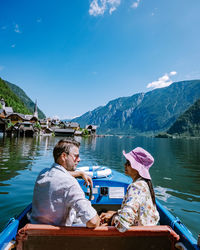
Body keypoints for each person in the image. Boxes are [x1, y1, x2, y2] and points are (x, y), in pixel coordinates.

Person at [30, 138, 100, 228]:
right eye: (76, 156)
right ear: (64, 156)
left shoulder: (43, 173)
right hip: (57, 237)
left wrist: (80, 173)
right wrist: (99, 220)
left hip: (34, 230)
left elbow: (59, 174)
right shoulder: (70, 183)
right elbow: (93, 222)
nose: (79, 159)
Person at [100, 147, 160, 232]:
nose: (125, 165)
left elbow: (123, 225)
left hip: (137, 236)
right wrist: (114, 214)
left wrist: (111, 219)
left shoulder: (136, 187)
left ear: (137, 168)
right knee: (110, 212)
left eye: (128, 163)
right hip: (147, 233)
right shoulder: (145, 184)